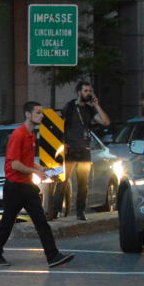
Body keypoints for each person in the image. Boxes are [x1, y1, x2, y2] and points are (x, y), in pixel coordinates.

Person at [0, 101, 74, 268]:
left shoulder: (31, 134)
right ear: (28, 114)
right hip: (14, 187)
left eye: (41, 113)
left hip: (26, 186)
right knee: (8, 221)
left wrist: (41, 168)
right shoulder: (18, 134)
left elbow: (25, 161)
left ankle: (53, 256)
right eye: (38, 113)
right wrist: (35, 172)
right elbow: (14, 164)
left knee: (41, 221)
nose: (41, 115)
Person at [52, 81, 110, 220]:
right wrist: (62, 143)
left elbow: (105, 122)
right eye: (85, 91)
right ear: (79, 92)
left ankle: (80, 212)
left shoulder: (89, 110)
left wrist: (96, 105)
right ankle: (56, 211)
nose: (88, 93)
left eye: (90, 91)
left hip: (84, 150)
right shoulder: (70, 107)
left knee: (83, 183)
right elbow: (60, 125)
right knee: (62, 181)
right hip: (70, 150)